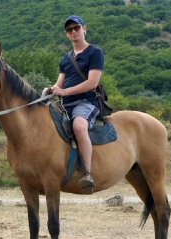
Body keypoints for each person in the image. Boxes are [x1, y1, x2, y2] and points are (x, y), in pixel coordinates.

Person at [46, 15, 104, 194]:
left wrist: (64, 92)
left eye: (76, 28)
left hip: (86, 102)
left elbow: (92, 83)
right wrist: (51, 89)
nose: (73, 32)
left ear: (84, 29)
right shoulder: (66, 58)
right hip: (65, 104)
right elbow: (60, 83)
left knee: (79, 126)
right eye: (69, 30)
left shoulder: (95, 52)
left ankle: (87, 173)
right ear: (66, 34)